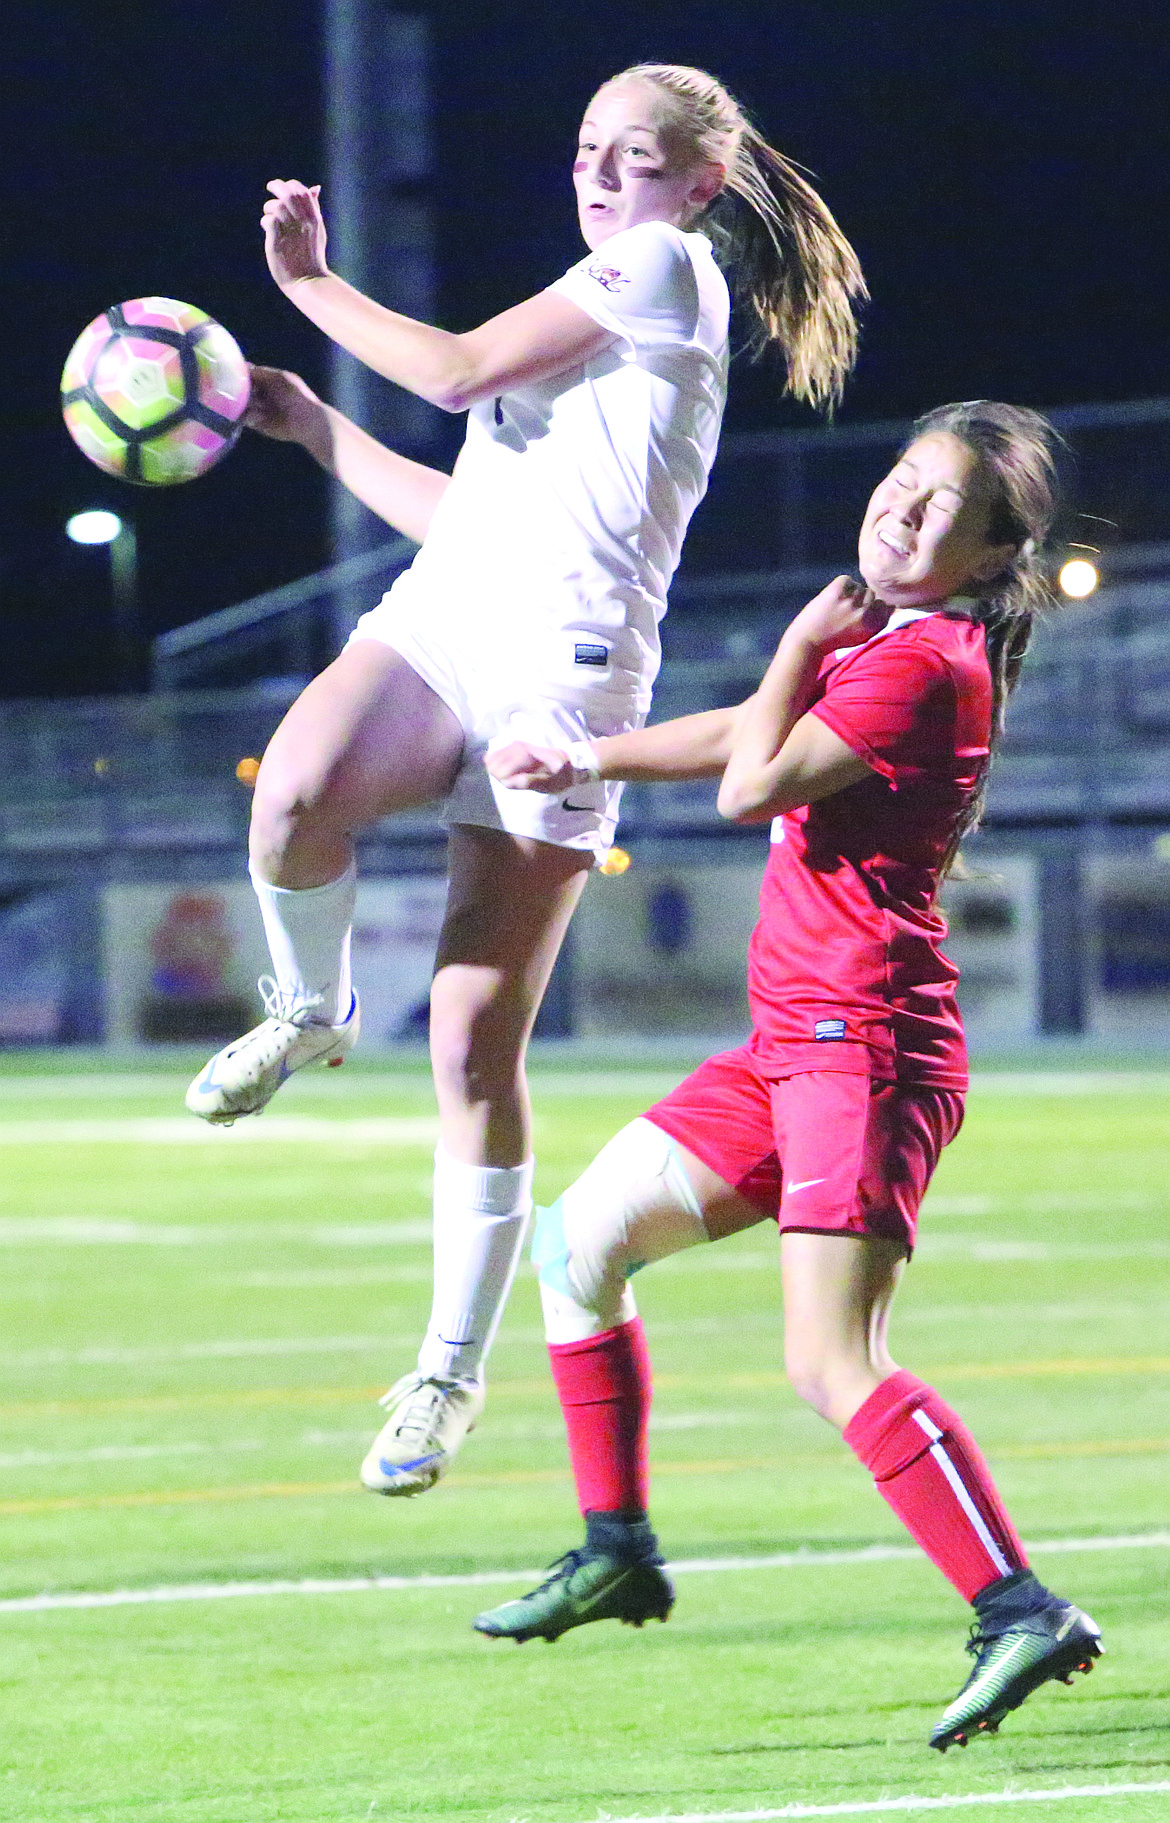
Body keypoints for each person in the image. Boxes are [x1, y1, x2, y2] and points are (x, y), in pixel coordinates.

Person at [184, 64, 866, 1497]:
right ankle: (310, 1009)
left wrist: (309, 283)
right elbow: (463, 511)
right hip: (450, 614)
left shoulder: (661, 267)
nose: (600, 170)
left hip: (563, 677)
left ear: (696, 182)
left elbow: (448, 369)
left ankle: (444, 1366)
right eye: (582, 147)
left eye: (632, 153)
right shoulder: (601, 294)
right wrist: (317, 429)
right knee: (294, 791)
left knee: (468, 1048)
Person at [472, 402, 1103, 1754]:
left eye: (940, 507)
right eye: (898, 478)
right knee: (578, 1242)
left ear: (992, 557)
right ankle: (617, 1543)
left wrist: (790, 648)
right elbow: (743, 738)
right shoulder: (883, 643)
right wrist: (588, 752)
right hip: (790, 1045)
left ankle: (1016, 1604)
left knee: (828, 1359)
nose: (900, 509)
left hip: (861, 1046)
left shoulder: (917, 659)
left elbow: (747, 785)